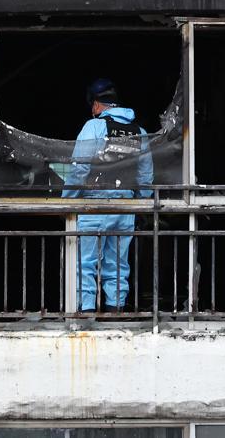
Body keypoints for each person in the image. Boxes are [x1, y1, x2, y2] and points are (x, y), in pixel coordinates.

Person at [63, 77, 153, 313]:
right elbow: (145, 177)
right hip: (125, 208)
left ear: (95, 105)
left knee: (85, 263)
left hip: (94, 206)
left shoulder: (93, 127)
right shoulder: (139, 132)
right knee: (117, 264)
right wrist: (142, 205)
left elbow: (79, 168)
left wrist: (67, 201)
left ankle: (86, 312)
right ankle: (116, 310)